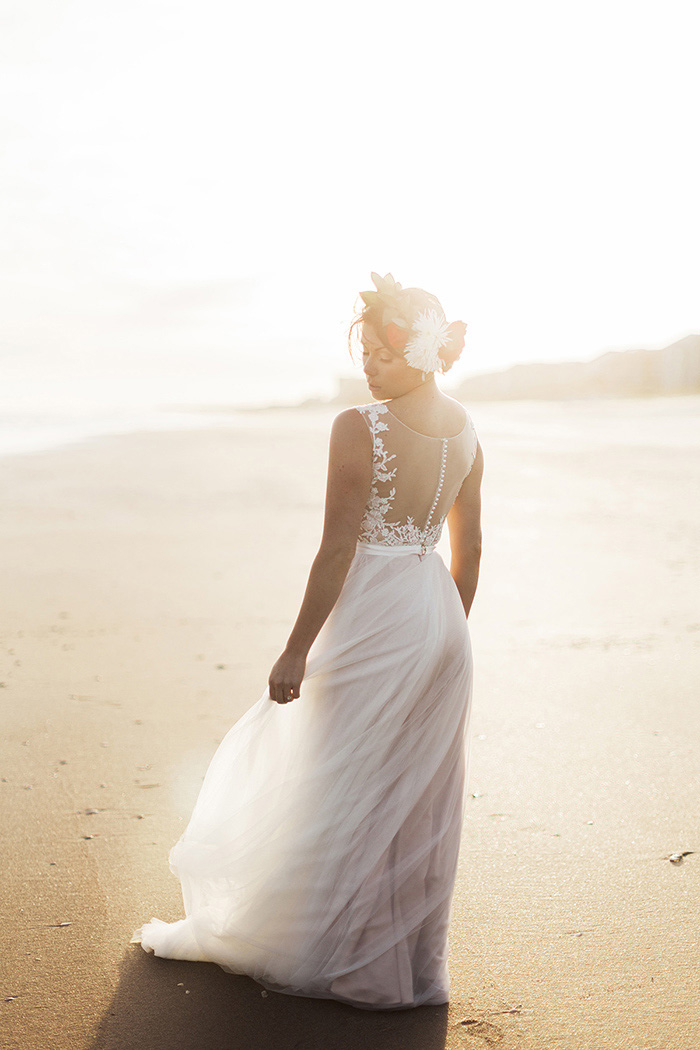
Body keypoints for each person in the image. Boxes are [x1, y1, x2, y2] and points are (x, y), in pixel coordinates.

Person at [131, 272, 484, 1011]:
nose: (369, 366)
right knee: (410, 795)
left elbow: (336, 549)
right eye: (364, 353)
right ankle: (404, 968)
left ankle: (343, 956)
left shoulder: (360, 427)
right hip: (441, 621)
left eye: (381, 353)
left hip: (380, 611)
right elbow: (470, 550)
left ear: (416, 351)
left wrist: (295, 649)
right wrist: (444, 636)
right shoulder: (467, 430)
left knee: (339, 778)